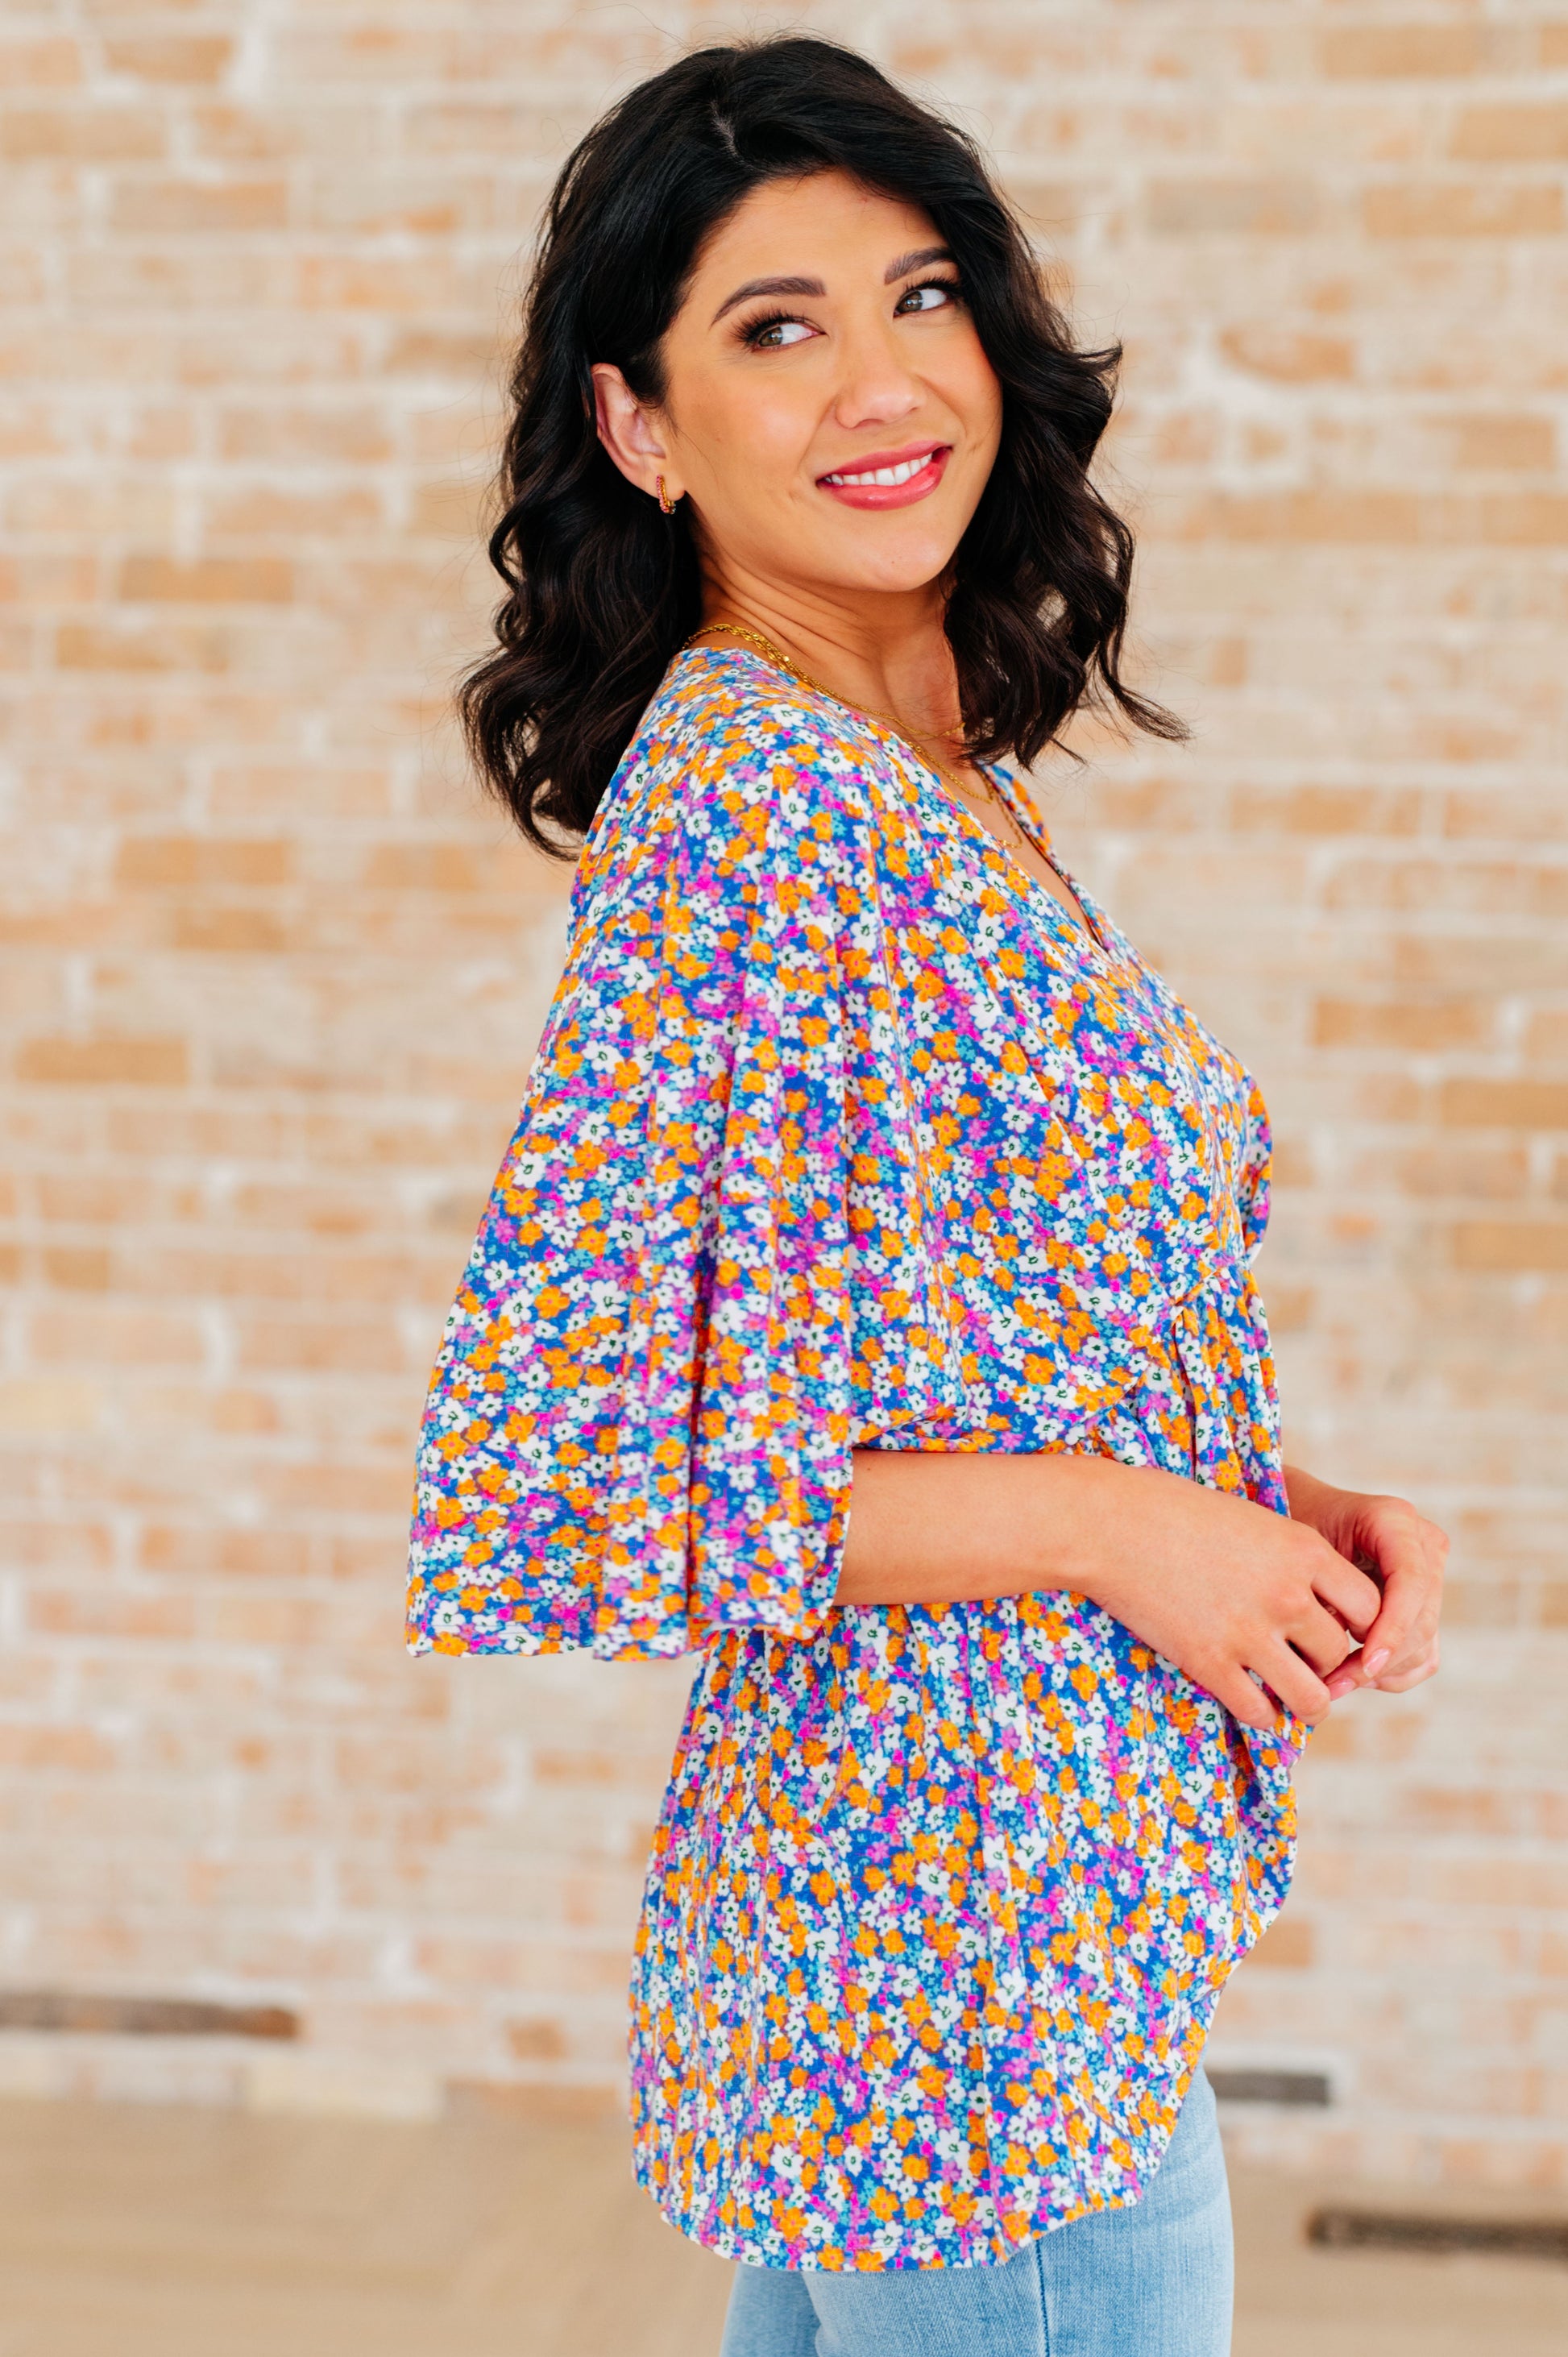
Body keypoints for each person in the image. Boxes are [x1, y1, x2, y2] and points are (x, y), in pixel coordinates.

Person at [405, 36, 1446, 2356]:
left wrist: (1255, 1506)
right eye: (774, 327)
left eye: (923, 295)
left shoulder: (916, 779)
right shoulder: (765, 808)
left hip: (943, 1936)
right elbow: (563, 1480)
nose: (882, 382)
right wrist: (1122, 1531)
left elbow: (905, 1377)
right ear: (639, 426)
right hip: (971, 1981)